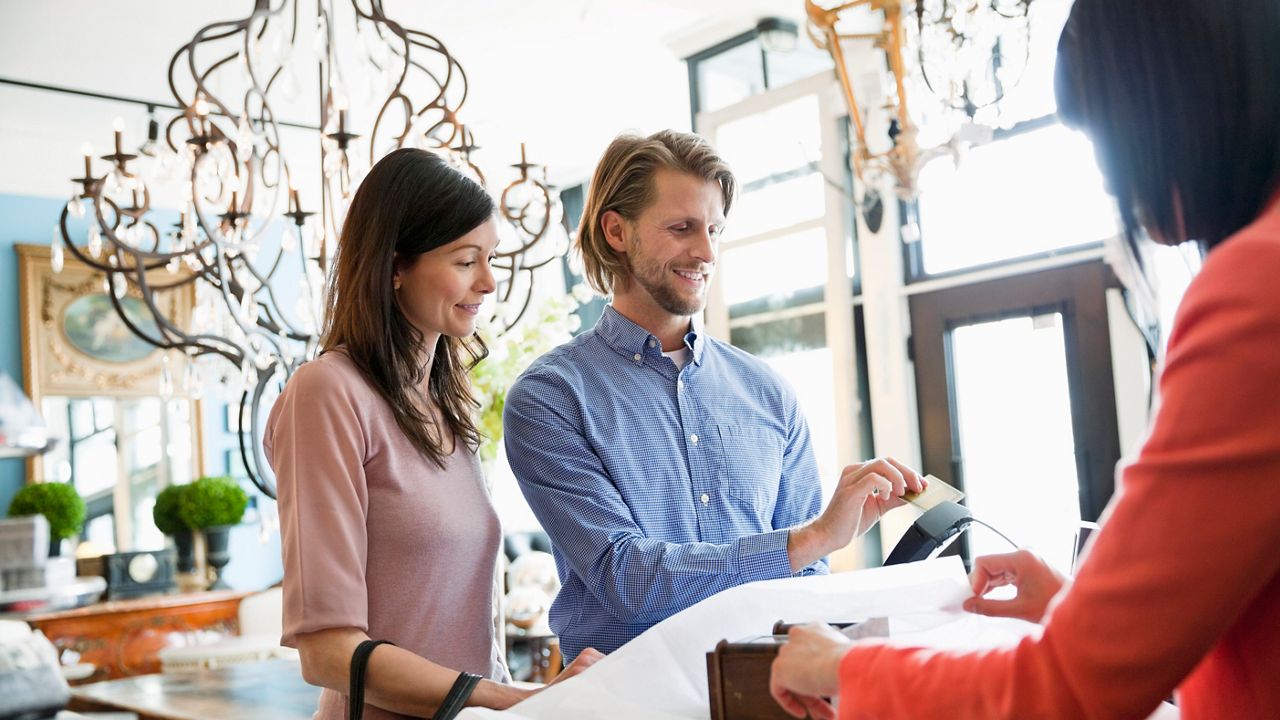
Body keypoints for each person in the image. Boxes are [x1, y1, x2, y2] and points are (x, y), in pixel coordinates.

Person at [769, 1, 1280, 717]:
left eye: (1107, 136)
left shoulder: (1256, 286)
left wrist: (847, 667)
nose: (1111, 181)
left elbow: (1069, 688)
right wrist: (1081, 612)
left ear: (1176, 98)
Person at [502, 129, 926, 663]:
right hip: (629, 697)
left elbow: (804, 578)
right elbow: (625, 577)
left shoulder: (769, 393)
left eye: (714, 230)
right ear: (616, 231)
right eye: (681, 228)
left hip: (771, 691)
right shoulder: (550, 398)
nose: (705, 252)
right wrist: (813, 538)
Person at [265, 148, 599, 720]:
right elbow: (326, 652)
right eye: (466, 261)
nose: (488, 282)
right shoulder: (327, 392)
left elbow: (468, 631)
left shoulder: (450, 407)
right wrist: (505, 698)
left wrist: (521, 703)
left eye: (491, 259)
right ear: (396, 266)